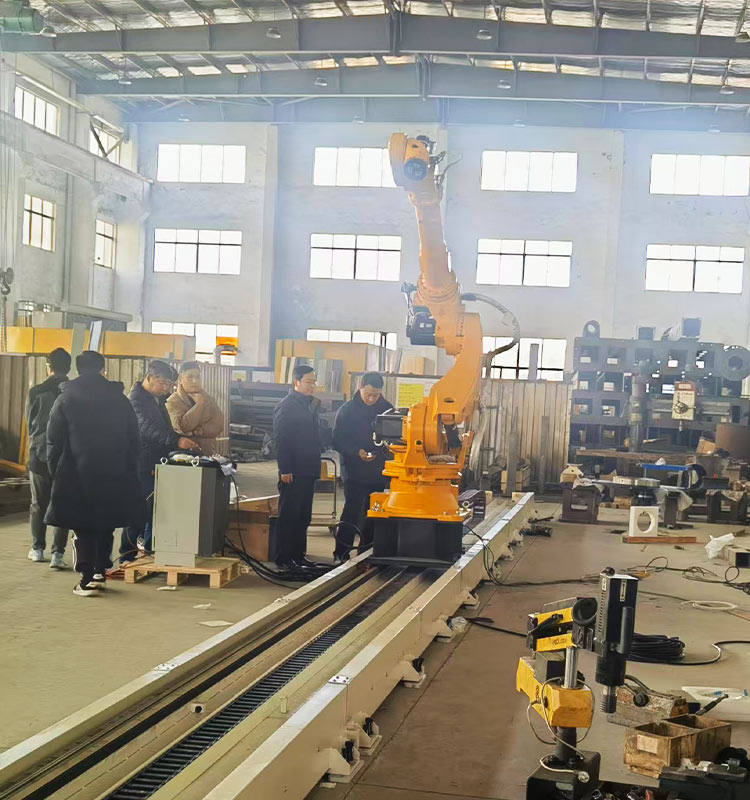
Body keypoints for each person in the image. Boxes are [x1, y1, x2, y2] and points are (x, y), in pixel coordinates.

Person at [45, 351, 145, 596]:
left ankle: (86, 578)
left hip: (76, 473)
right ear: (103, 369)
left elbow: (53, 441)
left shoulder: (65, 399)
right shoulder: (120, 400)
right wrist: (129, 469)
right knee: (105, 522)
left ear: (78, 370)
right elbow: (135, 439)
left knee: (82, 525)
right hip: (114, 471)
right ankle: (100, 570)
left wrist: (54, 471)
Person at [120, 360, 196, 563]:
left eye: (169, 384)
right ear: (149, 378)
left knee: (157, 509)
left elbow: (165, 428)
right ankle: (126, 556)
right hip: (140, 463)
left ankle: (149, 551)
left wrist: (177, 442)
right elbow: (147, 429)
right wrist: (175, 440)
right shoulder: (135, 400)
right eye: (162, 383)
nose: (165, 388)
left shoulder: (157, 400)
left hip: (157, 461)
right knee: (138, 509)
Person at [332, 372, 393, 563]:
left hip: (378, 472)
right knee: (351, 512)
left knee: (373, 514)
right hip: (354, 472)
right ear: (360, 388)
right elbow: (337, 440)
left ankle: (366, 553)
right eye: (368, 394)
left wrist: (381, 452)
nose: (371, 399)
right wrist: (355, 451)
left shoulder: (387, 410)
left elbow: (394, 440)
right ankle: (341, 553)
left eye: (376, 395)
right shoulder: (347, 410)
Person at [272, 364, 322, 568]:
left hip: (308, 469)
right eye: (309, 382)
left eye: (314, 382)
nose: (312, 386)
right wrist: (285, 469)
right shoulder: (287, 406)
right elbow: (281, 440)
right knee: (289, 516)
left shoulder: (308, 405)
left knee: (303, 516)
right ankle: (284, 558)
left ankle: (298, 556)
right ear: (296, 382)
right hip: (293, 471)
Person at [26, 347, 72, 568]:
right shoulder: (73, 392)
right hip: (66, 458)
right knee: (63, 504)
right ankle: (57, 555)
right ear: (69, 368)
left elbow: (29, 425)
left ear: (48, 367)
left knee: (38, 504)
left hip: (39, 456)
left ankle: (37, 549)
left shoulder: (36, 392)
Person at [166, 361, 225, 455]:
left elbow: (219, 425)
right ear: (180, 379)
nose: (195, 381)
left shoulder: (208, 399)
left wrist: (198, 431)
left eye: (197, 377)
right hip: (183, 456)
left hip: (207, 454)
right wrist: (198, 405)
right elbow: (183, 427)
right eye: (190, 377)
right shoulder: (173, 401)